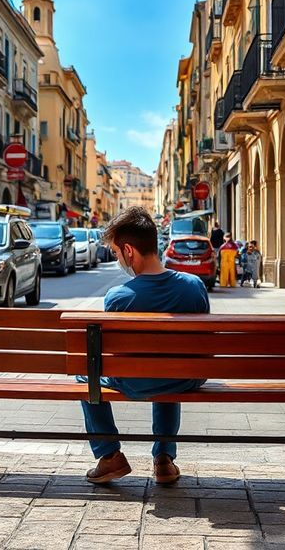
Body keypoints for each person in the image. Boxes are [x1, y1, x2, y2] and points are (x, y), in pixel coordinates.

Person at [80, 206, 209, 485]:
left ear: (129, 251)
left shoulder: (118, 298)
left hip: (135, 382)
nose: (117, 259)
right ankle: (164, 458)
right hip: (186, 378)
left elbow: (111, 354)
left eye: (116, 253)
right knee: (172, 366)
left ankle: (109, 455)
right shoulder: (194, 286)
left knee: (85, 374)